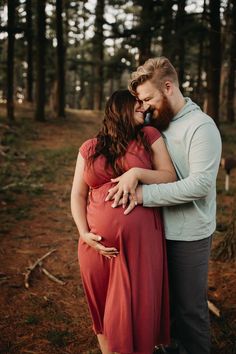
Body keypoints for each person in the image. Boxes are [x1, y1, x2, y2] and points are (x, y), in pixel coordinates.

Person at [105, 58, 222, 354]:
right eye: (140, 101)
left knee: (189, 311)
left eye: (148, 98)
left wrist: (141, 194)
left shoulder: (201, 127)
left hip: (188, 235)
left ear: (168, 87)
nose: (143, 107)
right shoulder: (156, 122)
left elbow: (200, 186)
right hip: (153, 232)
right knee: (163, 310)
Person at [71, 89, 177, 354]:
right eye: (138, 104)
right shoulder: (89, 148)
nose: (144, 107)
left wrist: (137, 173)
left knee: (140, 309)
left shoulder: (148, 137)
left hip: (140, 246)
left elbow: (169, 176)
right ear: (121, 109)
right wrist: (84, 233)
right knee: (103, 308)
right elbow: (78, 194)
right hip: (97, 248)